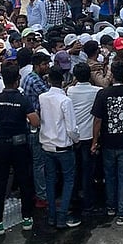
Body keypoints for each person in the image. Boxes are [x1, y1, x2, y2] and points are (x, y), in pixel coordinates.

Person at [0, 63, 40, 235]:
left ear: (3, 79)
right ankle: (27, 218)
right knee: (25, 182)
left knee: (0, 183)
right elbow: (35, 122)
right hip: (20, 146)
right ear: (17, 80)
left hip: (0, 146)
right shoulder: (23, 100)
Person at [91, 60, 123, 225]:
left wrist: (94, 141)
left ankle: (111, 206)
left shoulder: (103, 94)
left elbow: (97, 120)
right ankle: (122, 212)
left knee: (109, 175)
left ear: (112, 75)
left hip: (108, 141)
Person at [39, 67, 82, 229]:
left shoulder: (43, 97)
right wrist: (76, 140)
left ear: (49, 80)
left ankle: (51, 215)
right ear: (62, 81)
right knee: (69, 180)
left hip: (46, 146)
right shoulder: (65, 101)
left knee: (50, 180)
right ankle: (62, 215)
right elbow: (71, 128)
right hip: (63, 147)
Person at [68, 62, 102, 216]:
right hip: (90, 136)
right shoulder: (97, 91)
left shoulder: (69, 91)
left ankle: (72, 199)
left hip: (73, 136)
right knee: (88, 171)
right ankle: (88, 203)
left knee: (73, 170)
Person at [23, 51, 51, 208]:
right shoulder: (34, 80)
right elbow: (50, 95)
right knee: (38, 163)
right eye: (44, 64)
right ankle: (41, 196)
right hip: (35, 127)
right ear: (36, 66)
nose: (46, 67)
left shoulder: (33, 78)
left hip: (34, 125)